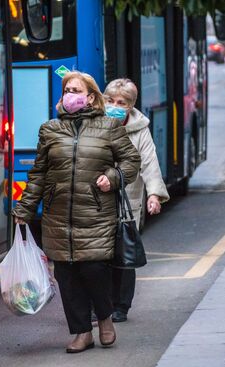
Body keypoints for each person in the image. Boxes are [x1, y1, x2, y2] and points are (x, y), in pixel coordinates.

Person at [12, 71, 141, 353]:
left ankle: (105, 320)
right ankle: (82, 332)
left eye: (76, 90)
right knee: (67, 276)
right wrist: (24, 208)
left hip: (95, 214)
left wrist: (113, 178)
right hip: (58, 216)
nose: (70, 95)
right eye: (67, 90)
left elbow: (131, 160)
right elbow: (39, 174)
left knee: (93, 270)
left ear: (91, 96)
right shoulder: (50, 130)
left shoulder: (109, 127)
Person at [103, 78, 169, 322]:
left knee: (123, 254)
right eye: (110, 100)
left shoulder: (140, 129)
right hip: (96, 200)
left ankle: (121, 306)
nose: (114, 105)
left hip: (127, 202)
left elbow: (149, 162)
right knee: (96, 256)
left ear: (131, 106)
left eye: (121, 102)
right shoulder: (95, 121)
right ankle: (99, 305)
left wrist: (154, 195)